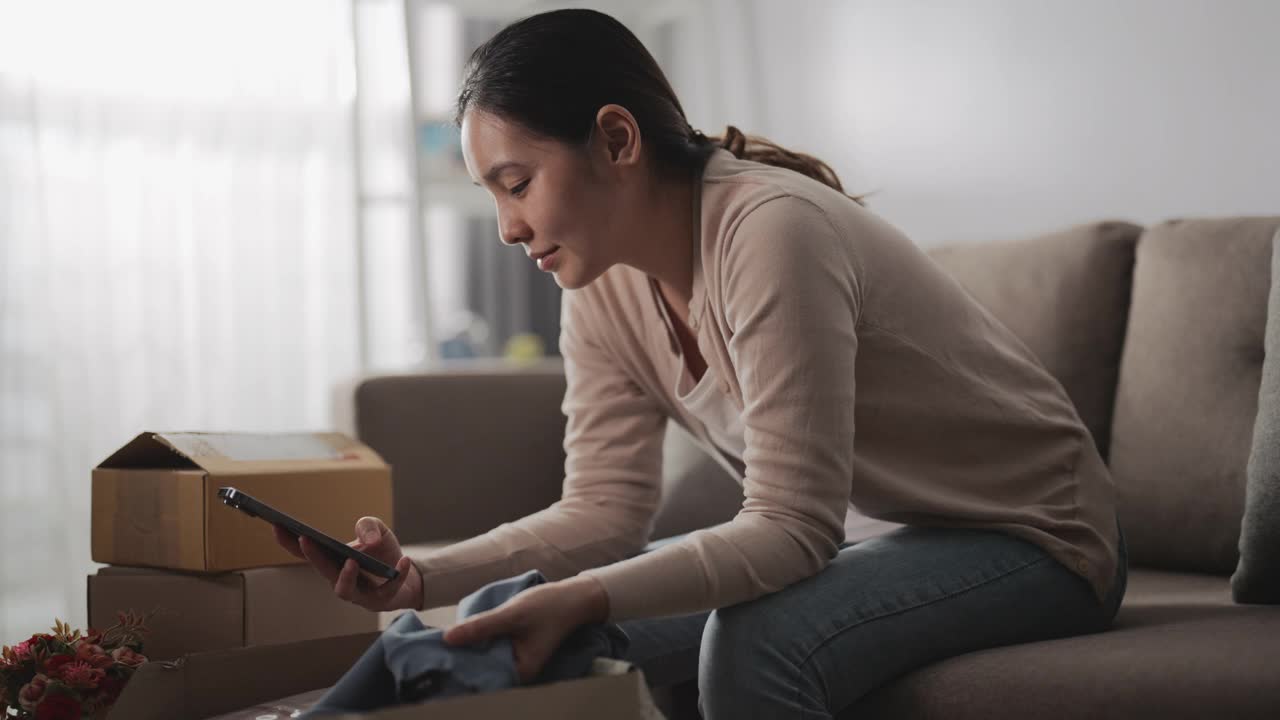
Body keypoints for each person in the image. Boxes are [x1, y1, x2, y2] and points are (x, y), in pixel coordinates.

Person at [277, 8, 1128, 718]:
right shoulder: (599, 289)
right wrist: (424, 576)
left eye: (518, 182)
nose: (507, 227)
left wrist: (589, 593)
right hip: (889, 541)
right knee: (514, 619)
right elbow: (605, 511)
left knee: (757, 639)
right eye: (492, 194)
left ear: (616, 138)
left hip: (1039, 540)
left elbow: (794, 530)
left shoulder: (773, 231)